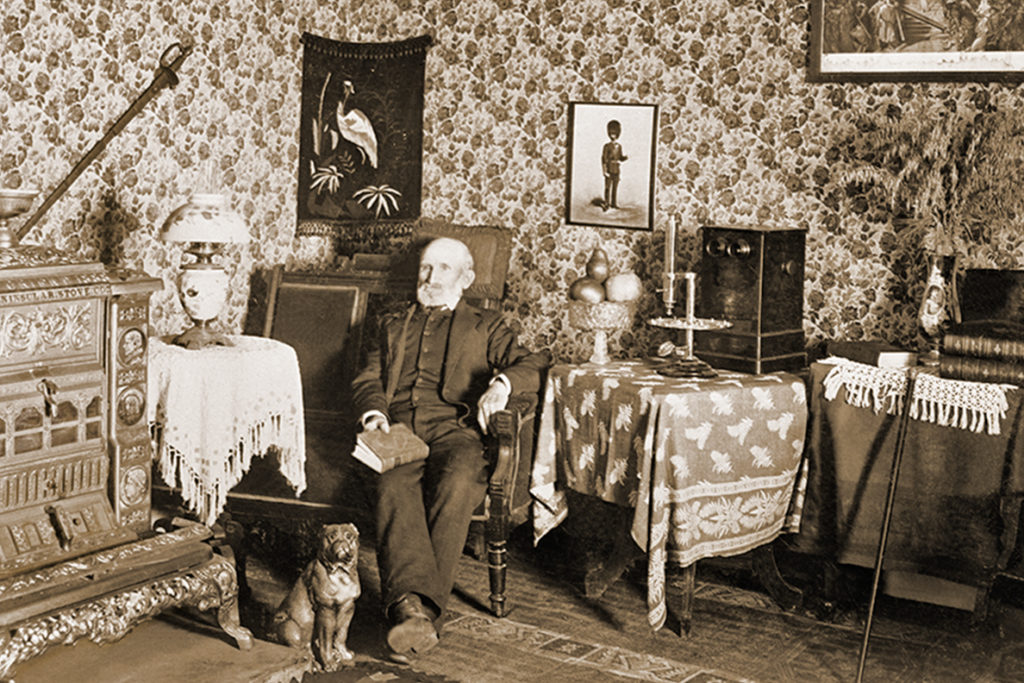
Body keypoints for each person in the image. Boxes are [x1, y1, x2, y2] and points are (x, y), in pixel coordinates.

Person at [351, 237, 549, 661]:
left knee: (460, 479)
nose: (431, 278)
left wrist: (502, 384)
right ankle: (417, 616)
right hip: (397, 427)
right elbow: (367, 377)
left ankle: (410, 607)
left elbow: (534, 363)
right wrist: (373, 415)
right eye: (426, 268)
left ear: (467, 278)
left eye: (443, 269)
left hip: (455, 430)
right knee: (391, 481)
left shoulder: (486, 324)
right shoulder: (389, 322)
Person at [601, 119, 628, 210]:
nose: (613, 136)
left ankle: (614, 203)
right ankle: (606, 204)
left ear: (618, 134)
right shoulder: (606, 146)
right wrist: (605, 171)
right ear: (609, 134)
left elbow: (620, 157)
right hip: (609, 169)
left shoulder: (619, 146)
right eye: (612, 134)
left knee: (615, 188)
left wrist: (625, 158)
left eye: (615, 134)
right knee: (608, 187)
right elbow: (604, 159)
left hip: (617, 170)